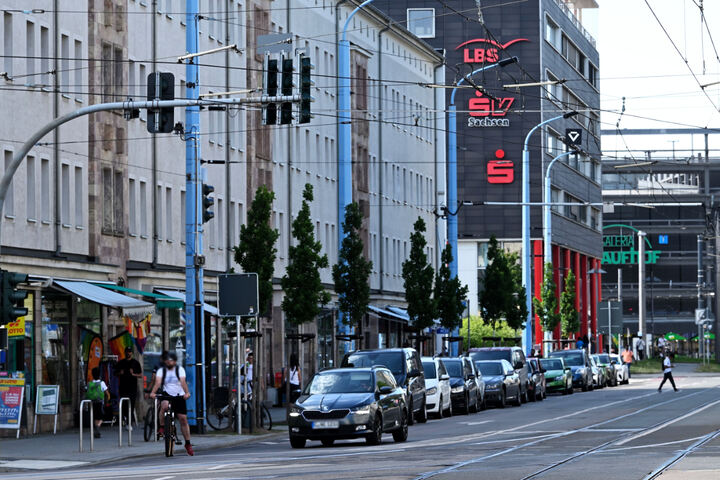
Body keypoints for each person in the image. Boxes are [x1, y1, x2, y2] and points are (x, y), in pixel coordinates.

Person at [150, 351, 194, 456]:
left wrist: (187, 393)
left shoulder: (180, 370)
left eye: (171, 361)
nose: (169, 363)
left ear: (174, 361)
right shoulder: (161, 371)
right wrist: (153, 392)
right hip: (167, 394)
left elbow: (183, 382)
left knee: (183, 419)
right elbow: (158, 383)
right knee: (164, 405)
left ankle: (188, 443)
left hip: (179, 395)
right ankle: (161, 426)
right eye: (167, 361)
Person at [115, 346, 142, 425]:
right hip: (123, 387)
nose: (128, 353)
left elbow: (140, 375)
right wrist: (120, 373)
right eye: (127, 352)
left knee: (131, 404)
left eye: (129, 352)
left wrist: (133, 374)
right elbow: (115, 373)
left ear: (132, 353)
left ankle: (129, 421)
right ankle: (125, 418)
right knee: (124, 404)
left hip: (132, 388)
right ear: (125, 352)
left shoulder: (135, 363)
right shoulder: (121, 362)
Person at [86, 367, 110, 438]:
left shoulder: (90, 383)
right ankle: (97, 427)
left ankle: (97, 431)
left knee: (96, 417)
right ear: (99, 374)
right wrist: (108, 399)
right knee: (102, 417)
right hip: (100, 402)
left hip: (92, 402)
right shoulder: (102, 383)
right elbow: (107, 393)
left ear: (92, 375)